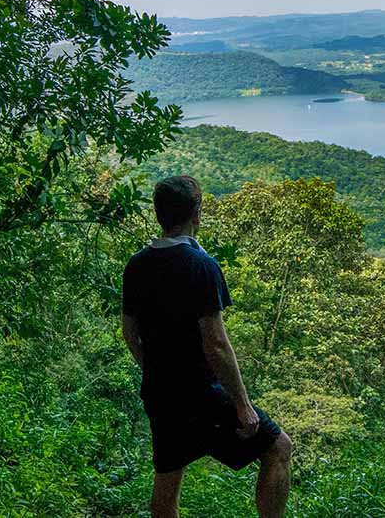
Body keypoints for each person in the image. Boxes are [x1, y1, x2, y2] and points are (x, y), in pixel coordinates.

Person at [121, 175, 292, 518]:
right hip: (200, 393)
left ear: (159, 215)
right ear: (196, 214)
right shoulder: (202, 266)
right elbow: (215, 343)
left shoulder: (137, 265)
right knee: (279, 448)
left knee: (168, 477)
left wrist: (154, 369)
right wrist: (243, 405)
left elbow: (129, 332)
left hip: (159, 391)